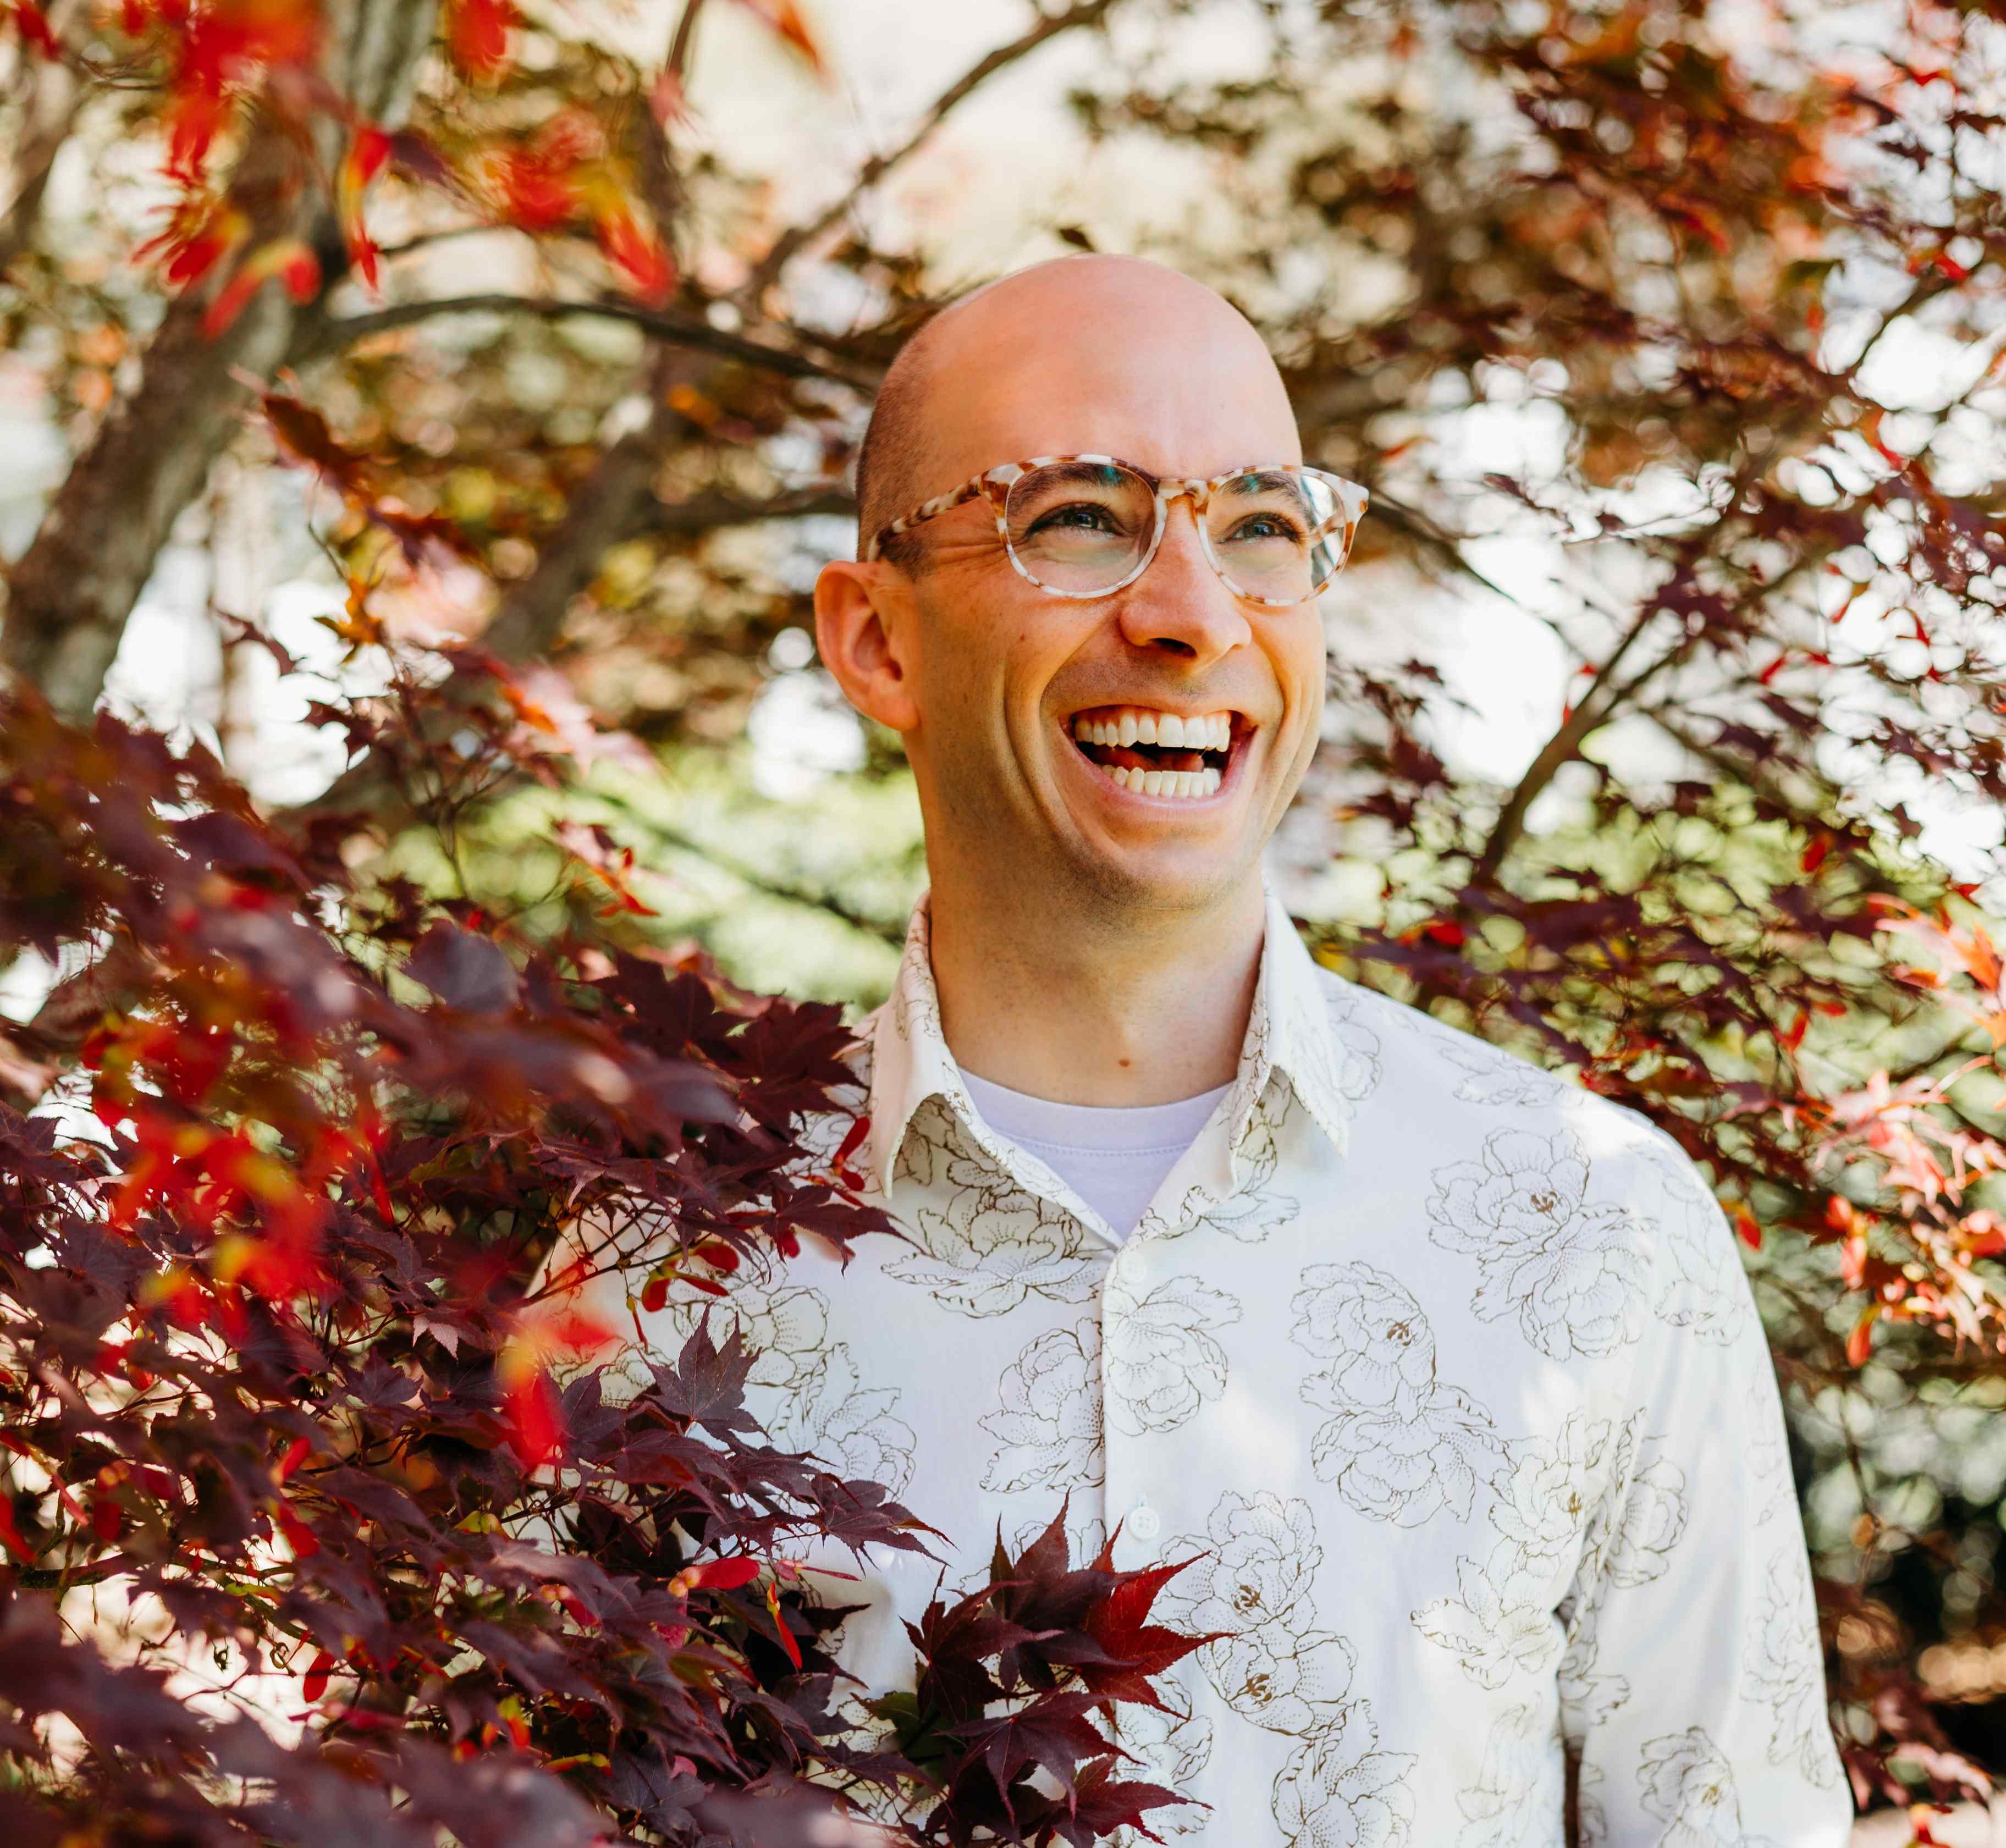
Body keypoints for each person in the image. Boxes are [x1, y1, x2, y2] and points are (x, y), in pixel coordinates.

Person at [598, 255, 1853, 1845]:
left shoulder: (1591, 1226)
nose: (1193, 611)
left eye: (1262, 527)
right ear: (875, 642)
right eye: (1073, 517)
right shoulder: (661, 1268)